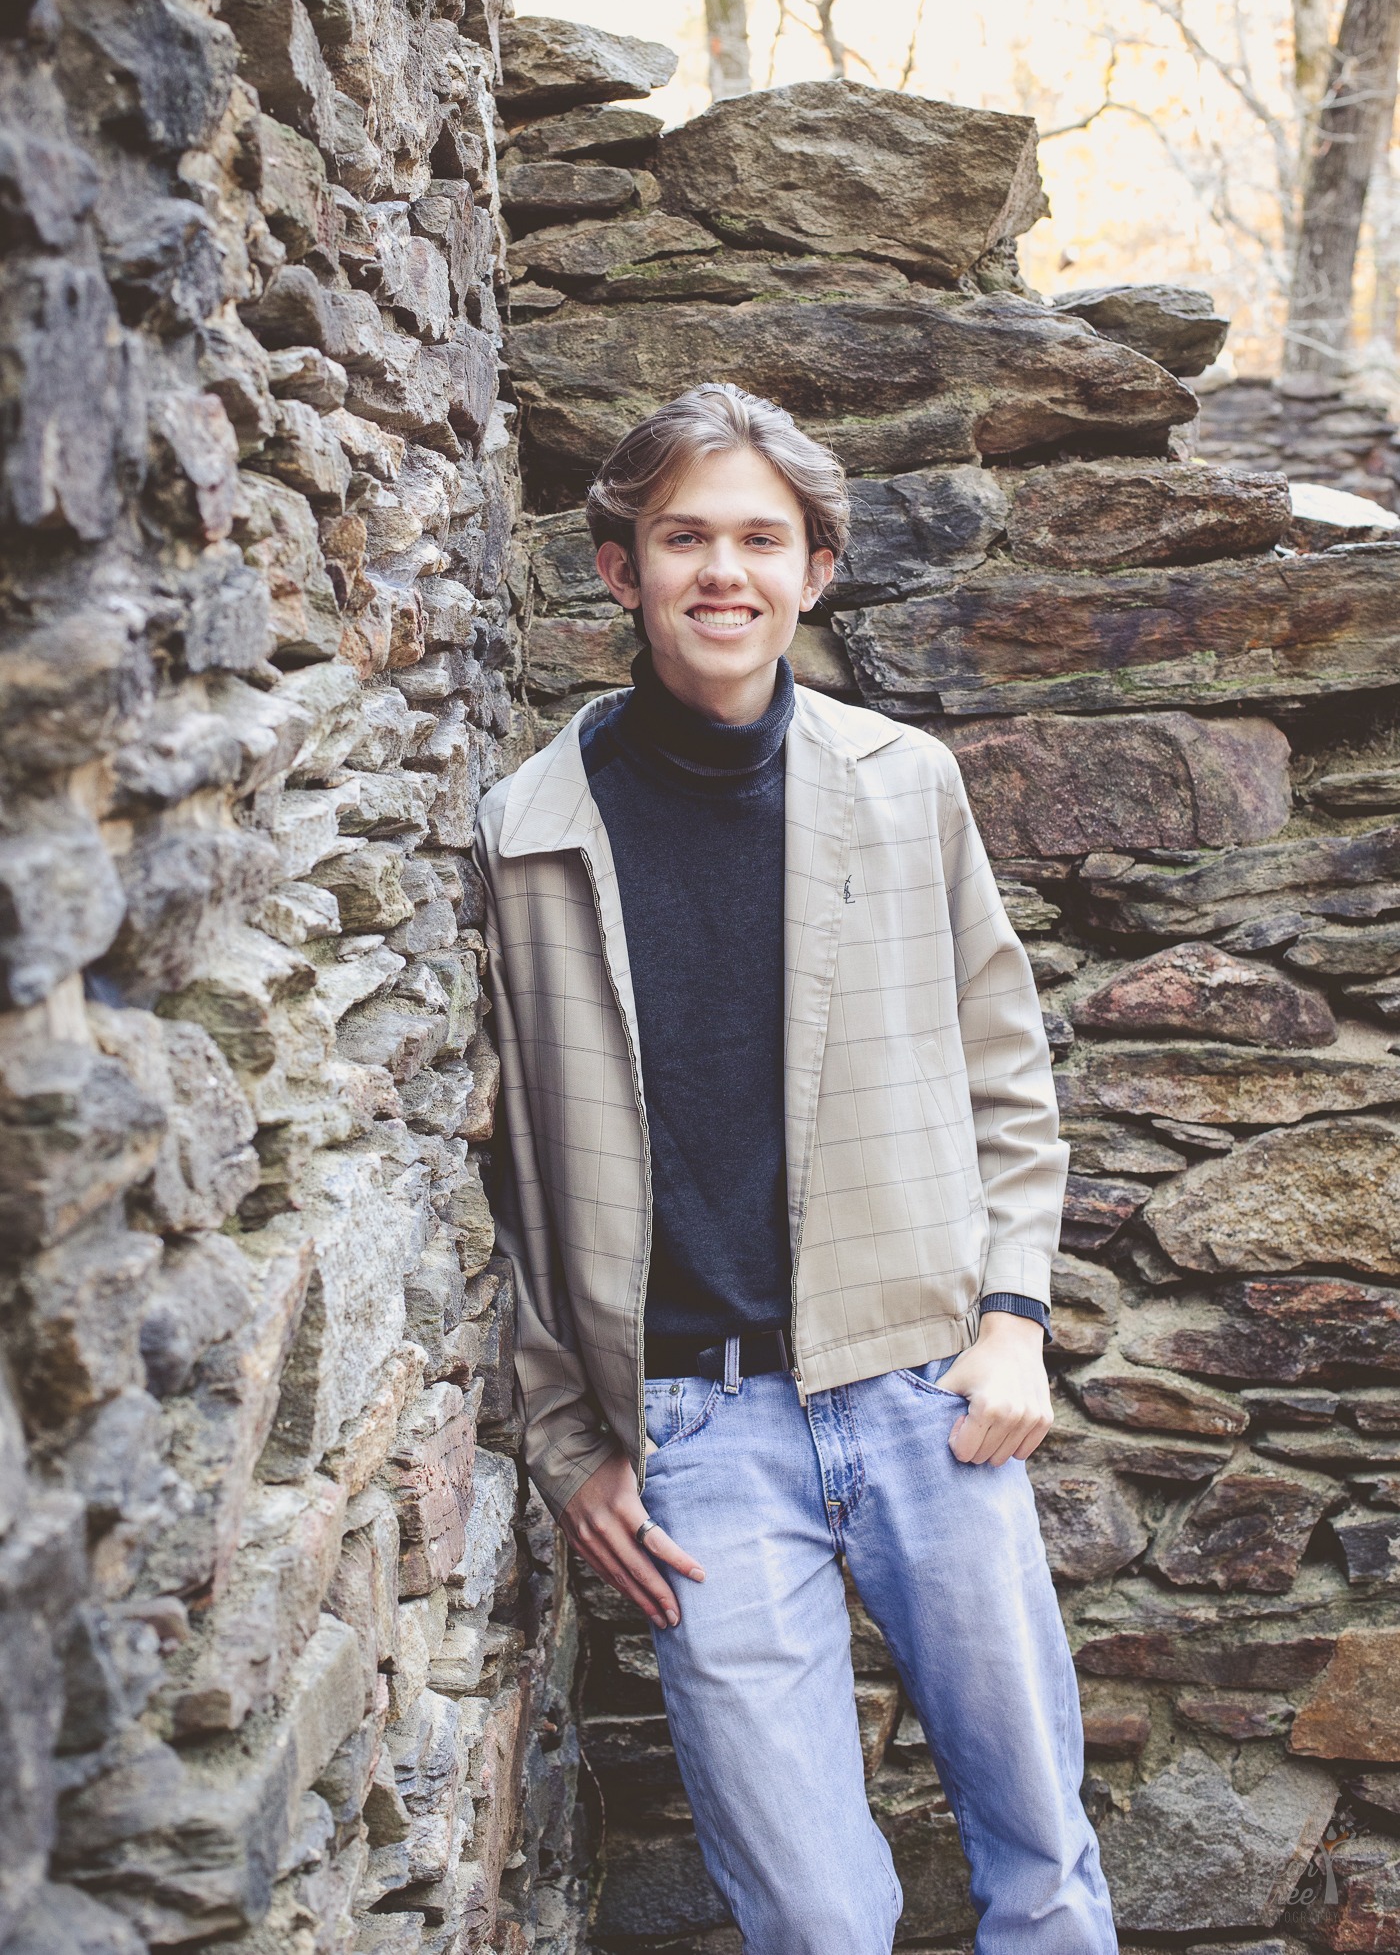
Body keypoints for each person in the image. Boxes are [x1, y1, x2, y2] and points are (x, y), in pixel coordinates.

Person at [472, 382, 1118, 1953]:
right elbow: (504, 1200)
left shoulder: (905, 785)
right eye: (682, 536)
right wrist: (569, 1444)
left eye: (761, 539)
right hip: (693, 1437)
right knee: (815, 1913)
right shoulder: (521, 833)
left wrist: (1015, 1321)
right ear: (620, 570)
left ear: (815, 571)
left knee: (1040, 1857)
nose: (722, 572)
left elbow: (1005, 1074)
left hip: (925, 1397)